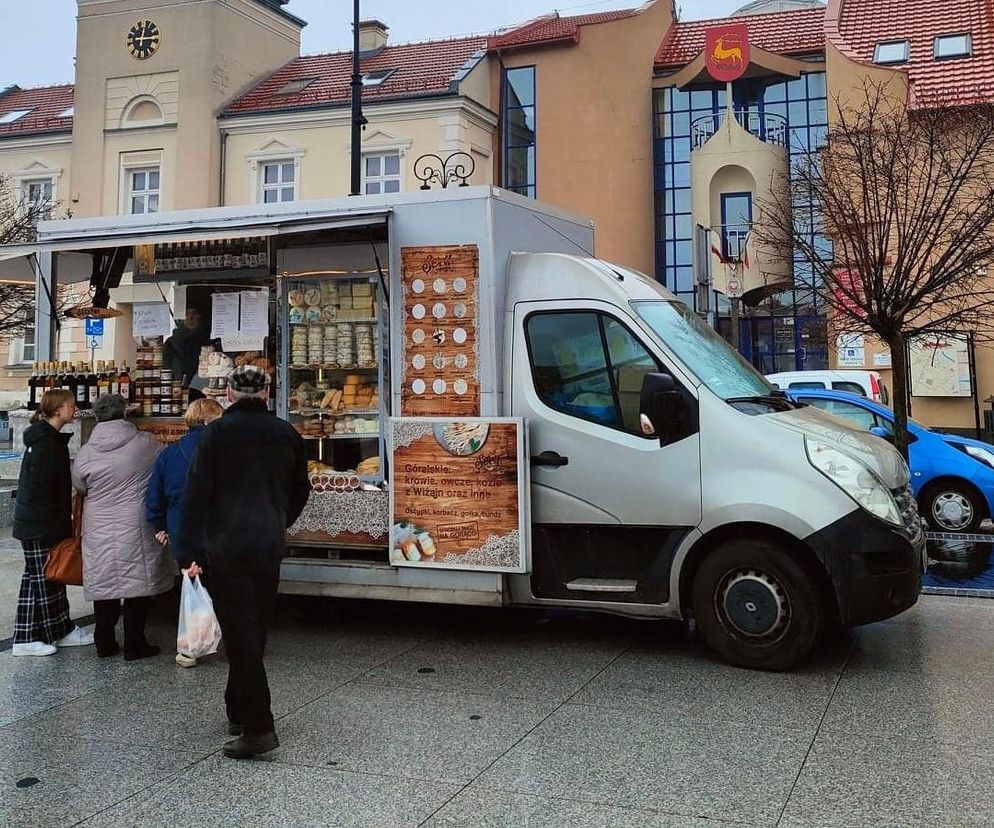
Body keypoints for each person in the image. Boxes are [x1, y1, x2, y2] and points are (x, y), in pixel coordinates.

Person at [179, 364, 309, 759]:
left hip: (227, 544)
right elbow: (300, 490)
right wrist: (278, 519)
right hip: (267, 543)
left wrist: (189, 551)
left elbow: (196, 493)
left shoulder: (216, 435)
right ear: (267, 394)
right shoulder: (286, 433)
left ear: (230, 395)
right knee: (255, 627)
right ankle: (238, 708)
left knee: (240, 633)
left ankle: (258, 727)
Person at [72, 394, 174, 660]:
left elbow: (80, 486)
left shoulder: (86, 451)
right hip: (135, 520)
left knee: (104, 581)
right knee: (136, 583)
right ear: (124, 413)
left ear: (96, 416)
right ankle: (134, 643)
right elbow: (165, 465)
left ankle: (104, 642)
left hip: (98, 523)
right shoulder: (145, 443)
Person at [11, 389, 94, 656]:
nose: (75, 409)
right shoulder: (47, 445)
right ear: (58, 409)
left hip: (39, 522)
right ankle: (27, 638)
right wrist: (57, 523)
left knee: (44, 577)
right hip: (40, 524)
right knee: (43, 579)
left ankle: (59, 629)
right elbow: (43, 490)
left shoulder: (48, 440)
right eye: (71, 405)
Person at [145, 397, 224, 668]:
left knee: (193, 583)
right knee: (225, 583)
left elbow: (155, 494)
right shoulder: (224, 452)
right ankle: (232, 639)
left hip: (182, 529)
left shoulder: (170, 453)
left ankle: (193, 647)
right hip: (219, 527)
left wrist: (160, 525)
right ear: (210, 421)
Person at [163, 308, 211, 398]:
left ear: (201, 317)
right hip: (177, 392)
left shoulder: (210, 340)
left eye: (194, 313)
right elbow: (166, 369)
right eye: (186, 314)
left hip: (205, 391)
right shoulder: (172, 342)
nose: (190, 317)